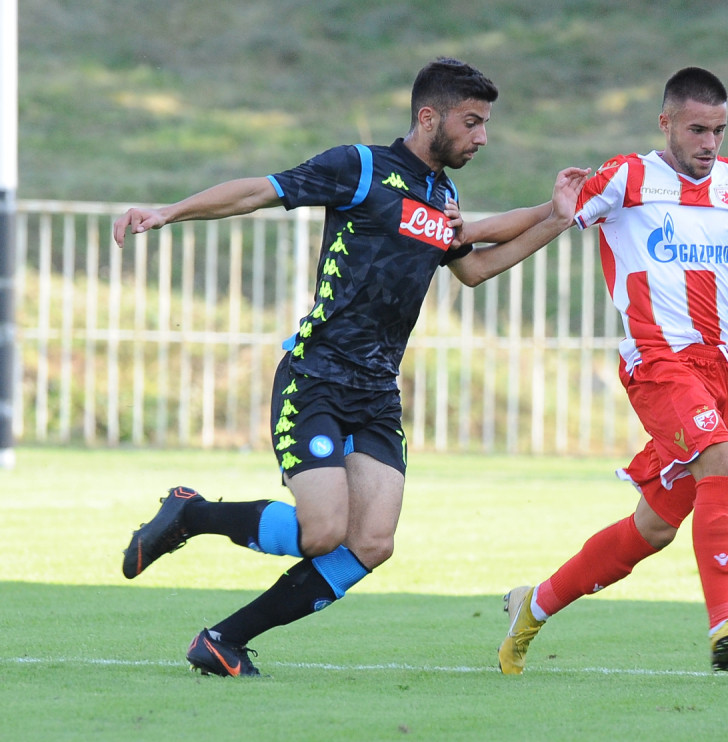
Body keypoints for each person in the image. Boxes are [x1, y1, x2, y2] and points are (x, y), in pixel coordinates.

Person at [112, 57, 589, 677]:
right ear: (428, 116)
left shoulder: (441, 196)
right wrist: (169, 210)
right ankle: (193, 514)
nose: (482, 138)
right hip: (316, 376)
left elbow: (472, 266)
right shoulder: (358, 168)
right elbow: (261, 189)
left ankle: (222, 640)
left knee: (371, 543)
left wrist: (556, 217)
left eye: (485, 124)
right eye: (471, 123)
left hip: (376, 392)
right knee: (321, 532)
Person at [465, 66, 728, 674]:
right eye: (697, 129)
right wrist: (463, 235)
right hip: (658, 365)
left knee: (653, 529)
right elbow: (547, 215)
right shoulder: (627, 178)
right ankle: (723, 624)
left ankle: (533, 606)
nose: (710, 143)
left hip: (721, 372)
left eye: (720, 130)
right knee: (722, 460)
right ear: (666, 123)